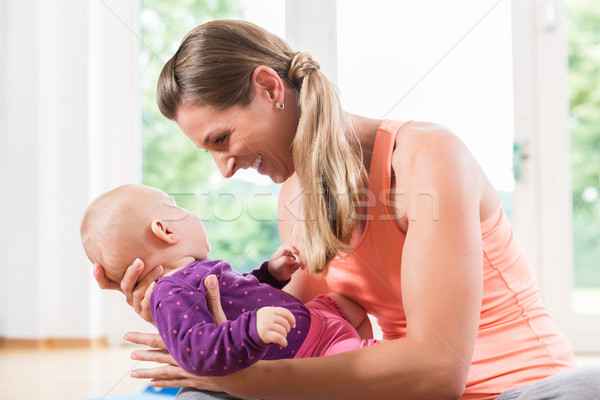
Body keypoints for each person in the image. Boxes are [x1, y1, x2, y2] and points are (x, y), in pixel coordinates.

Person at [93, 19, 600, 400]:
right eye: (209, 151)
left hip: (524, 386)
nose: (224, 169)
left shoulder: (425, 156)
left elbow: (436, 371)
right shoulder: (294, 201)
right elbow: (297, 336)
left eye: (222, 138)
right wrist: (179, 306)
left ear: (270, 89)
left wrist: (247, 380)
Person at [81, 184, 377, 377]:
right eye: (180, 208)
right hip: (309, 354)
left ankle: (358, 342)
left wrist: (270, 274)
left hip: (312, 322)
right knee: (364, 369)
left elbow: (243, 296)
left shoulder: (194, 273)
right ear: (165, 231)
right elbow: (197, 352)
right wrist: (251, 331)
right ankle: (364, 354)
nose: (193, 214)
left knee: (346, 304)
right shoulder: (169, 294)